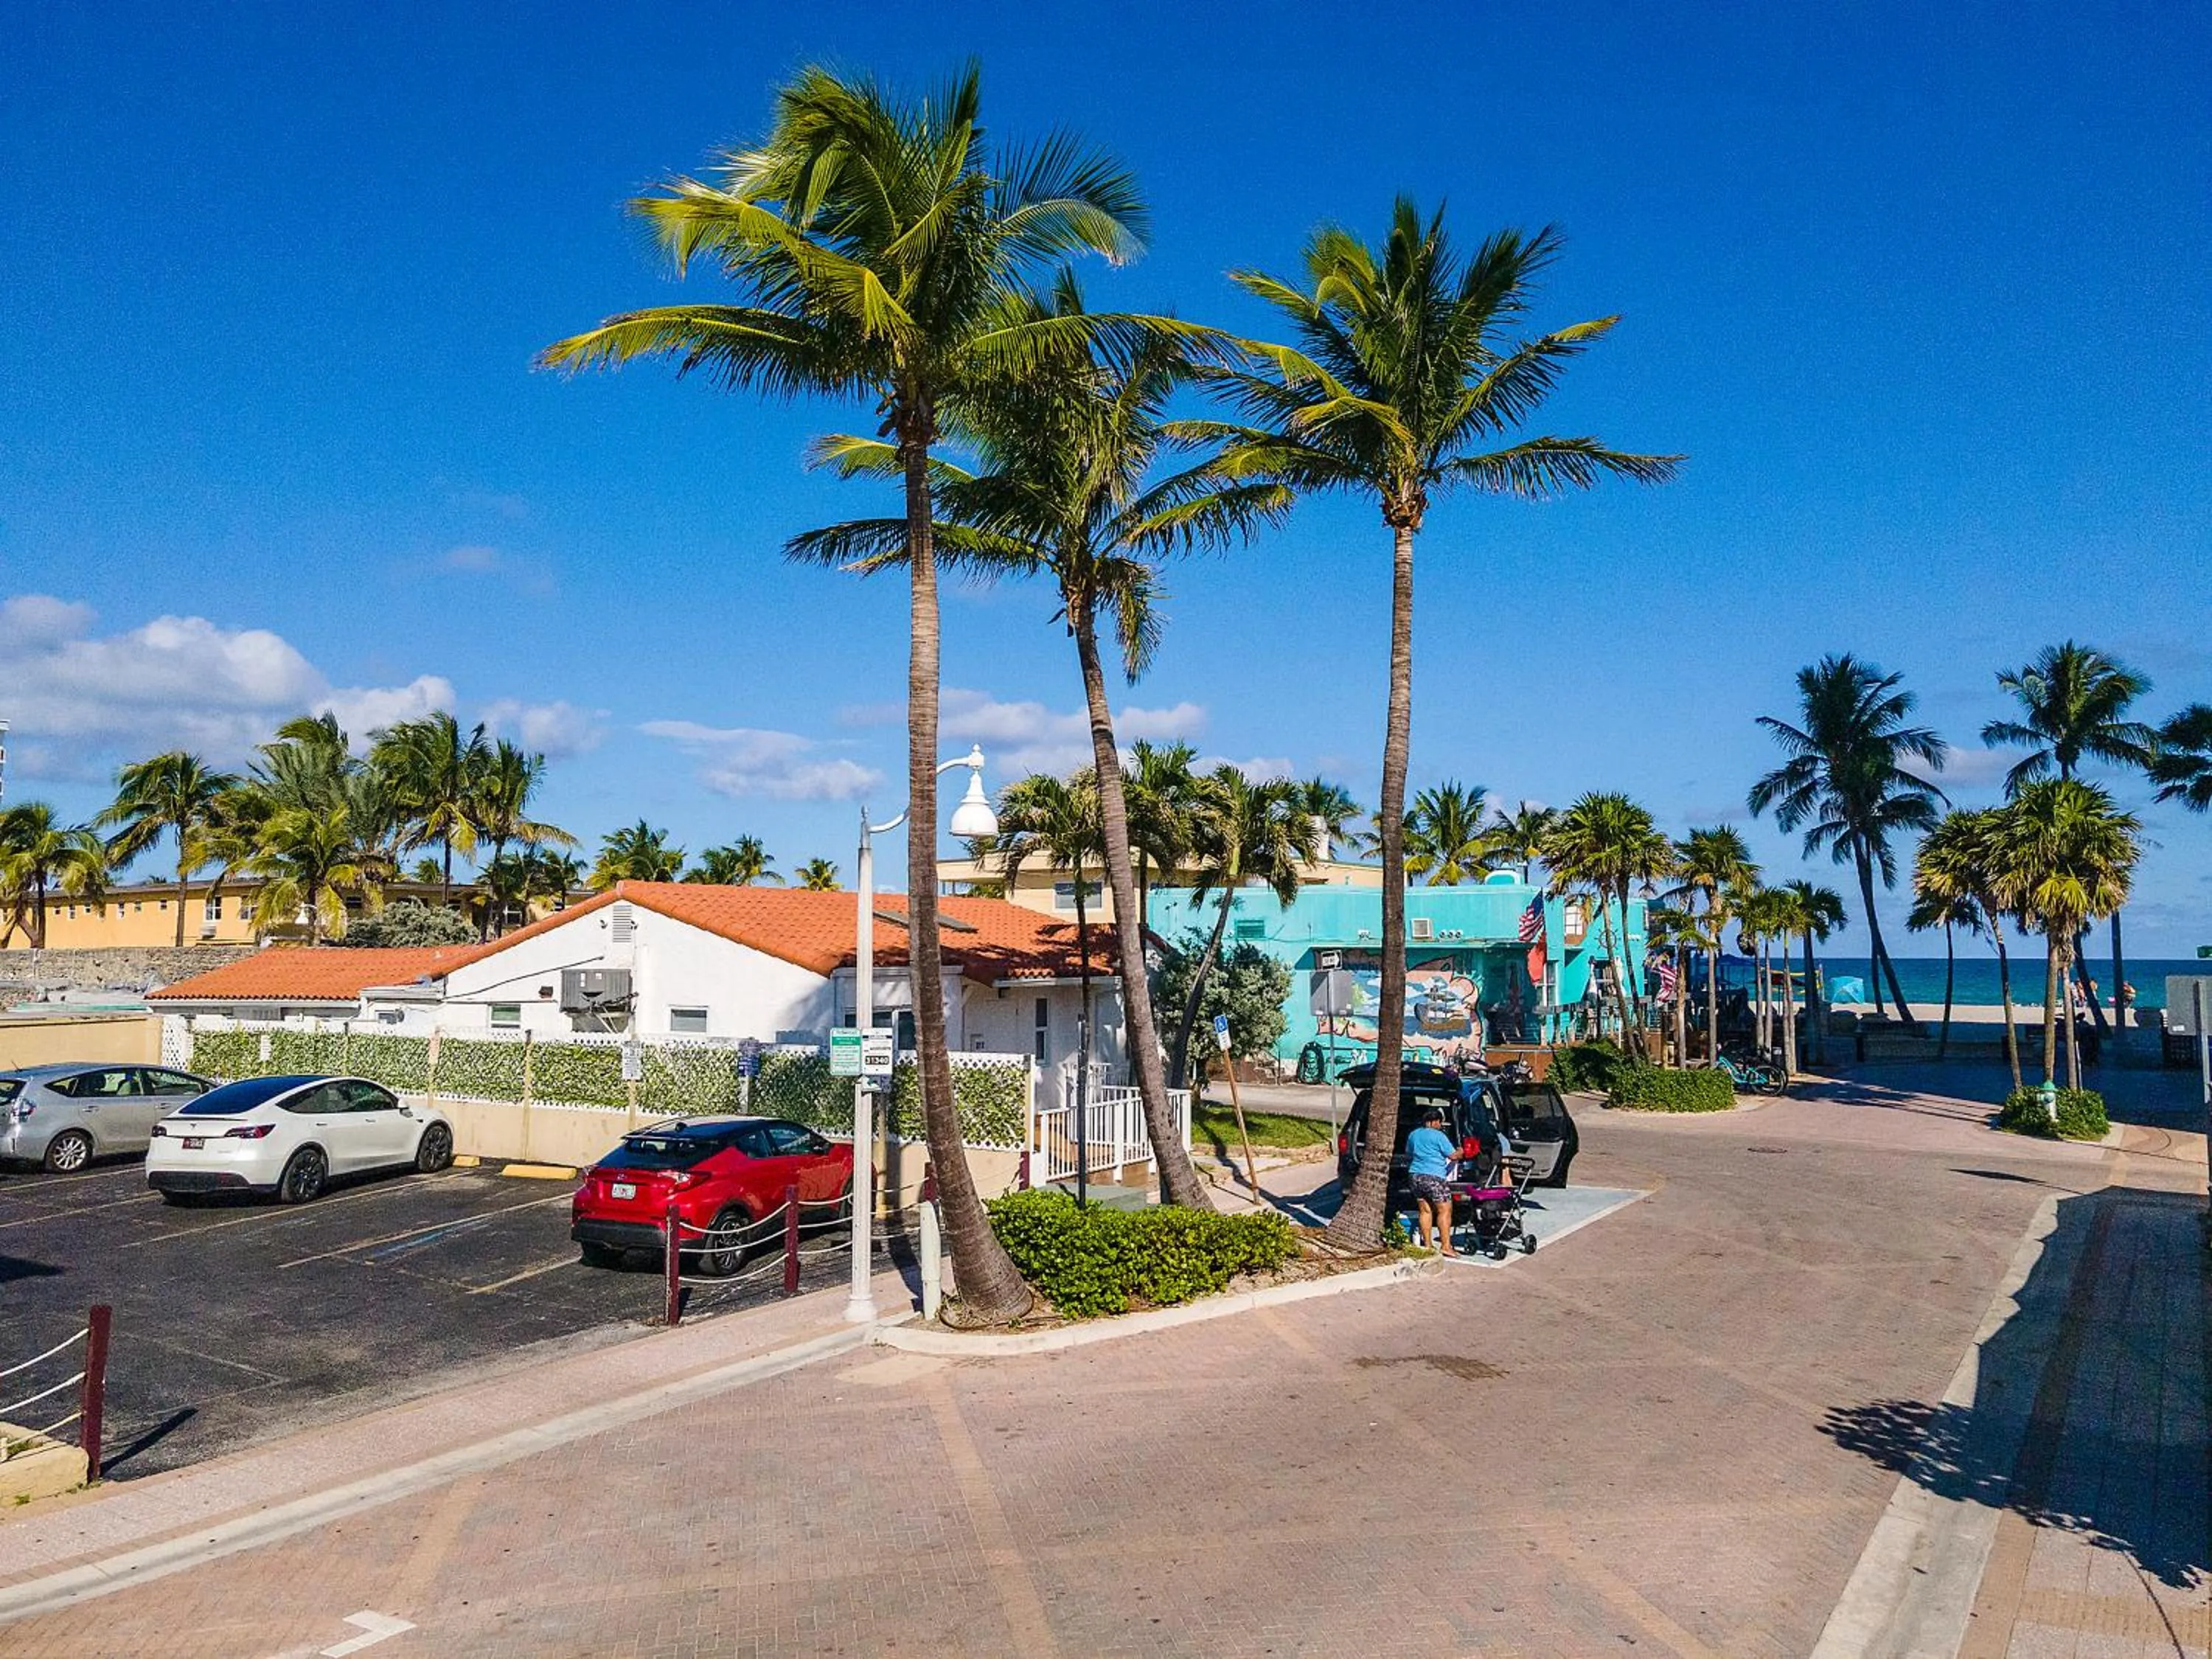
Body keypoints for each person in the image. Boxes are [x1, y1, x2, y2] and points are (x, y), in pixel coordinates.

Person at [1405, 1105, 1459, 1256]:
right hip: (1434, 1177)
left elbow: (1409, 1152)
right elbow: (1453, 1155)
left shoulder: (1413, 1134)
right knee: (1445, 1210)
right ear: (1435, 1122)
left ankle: (1428, 1245)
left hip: (1415, 1175)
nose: (1440, 1125)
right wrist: (1460, 1152)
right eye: (1440, 1122)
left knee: (1425, 1210)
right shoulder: (1439, 1136)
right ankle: (1446, 1246)